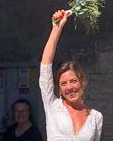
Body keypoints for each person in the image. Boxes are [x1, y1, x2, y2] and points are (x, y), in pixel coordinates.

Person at [39, 9, 103, 141]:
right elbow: (45, 65)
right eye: (63, 83)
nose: (69, 87)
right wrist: (56, 29)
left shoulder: (96, 117)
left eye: (73, 81)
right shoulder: (52, 105)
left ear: (81, 81)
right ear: (60, 88)